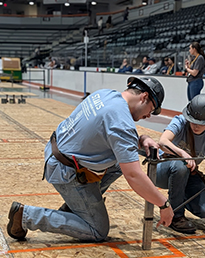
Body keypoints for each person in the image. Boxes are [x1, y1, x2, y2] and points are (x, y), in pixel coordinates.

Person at [7, 76, 174, 242]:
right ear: (144, 97)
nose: (148, 116)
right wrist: (163, 204)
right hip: (65, 170)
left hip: (57, 152)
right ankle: (26, 216)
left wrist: (142, 138)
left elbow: (113, 135)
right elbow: (134, 175)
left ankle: (77, 207)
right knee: (97, 230)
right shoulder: (121, 121)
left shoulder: (106, 95)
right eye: (151, 110)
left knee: (120, 162)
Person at [156, 94, 205, 234]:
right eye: (193, 121)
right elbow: (163, 142)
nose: (196, 125)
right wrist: (182, 154)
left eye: (201, 123)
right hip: (163, 171)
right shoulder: (179, 121)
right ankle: (177, 216)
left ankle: (177, 195)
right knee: (181, 165)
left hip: (188, 175)